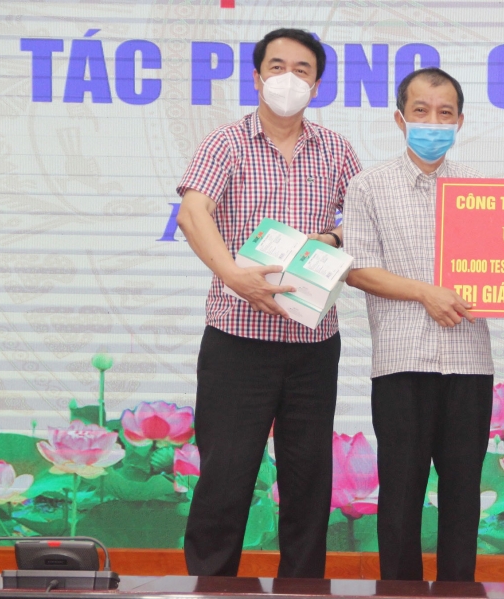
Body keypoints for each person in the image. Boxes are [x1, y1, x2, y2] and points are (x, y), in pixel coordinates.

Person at [175, 28, 362, 578]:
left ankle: (303, 587)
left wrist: (332, 237)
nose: (288, 78)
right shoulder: (226, 143)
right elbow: (193, 213)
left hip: (312, 343)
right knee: (226, 478)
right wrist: (235, 276)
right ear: (256, 78)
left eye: (302, 70)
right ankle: (211, 585)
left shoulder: (336, 149)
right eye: (276, 67)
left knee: (308, 481)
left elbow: (361, 222)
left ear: (317, 85)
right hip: (238, 341)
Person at [344, 67, 493, 582]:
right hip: (400, 361)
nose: (433, 122)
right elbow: (358, 269)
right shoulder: (368, 186)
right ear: (400, 118)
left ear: (460, 121)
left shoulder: (482, 191)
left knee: (463, 496)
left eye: (445, 113)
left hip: (469, 363)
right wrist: (425, 292)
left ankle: (458, 592)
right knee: (401, 495)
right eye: (421, 111)